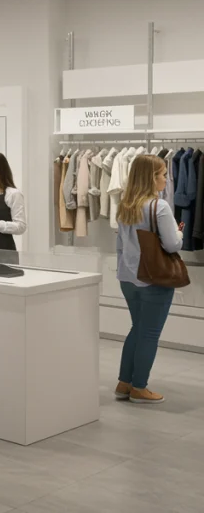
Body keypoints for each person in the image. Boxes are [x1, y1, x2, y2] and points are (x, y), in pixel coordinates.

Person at [114, 154, 183, 404]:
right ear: (151, 177)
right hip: (154, 278)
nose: (166, 179)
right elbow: (173, 244)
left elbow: (120, 245)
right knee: (150, 333)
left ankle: (124, 382)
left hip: (128, 278)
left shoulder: (126, 205)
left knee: (138, 328)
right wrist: (179, 232)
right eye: (163, 174)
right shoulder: (158, 206)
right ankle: (139, 387)